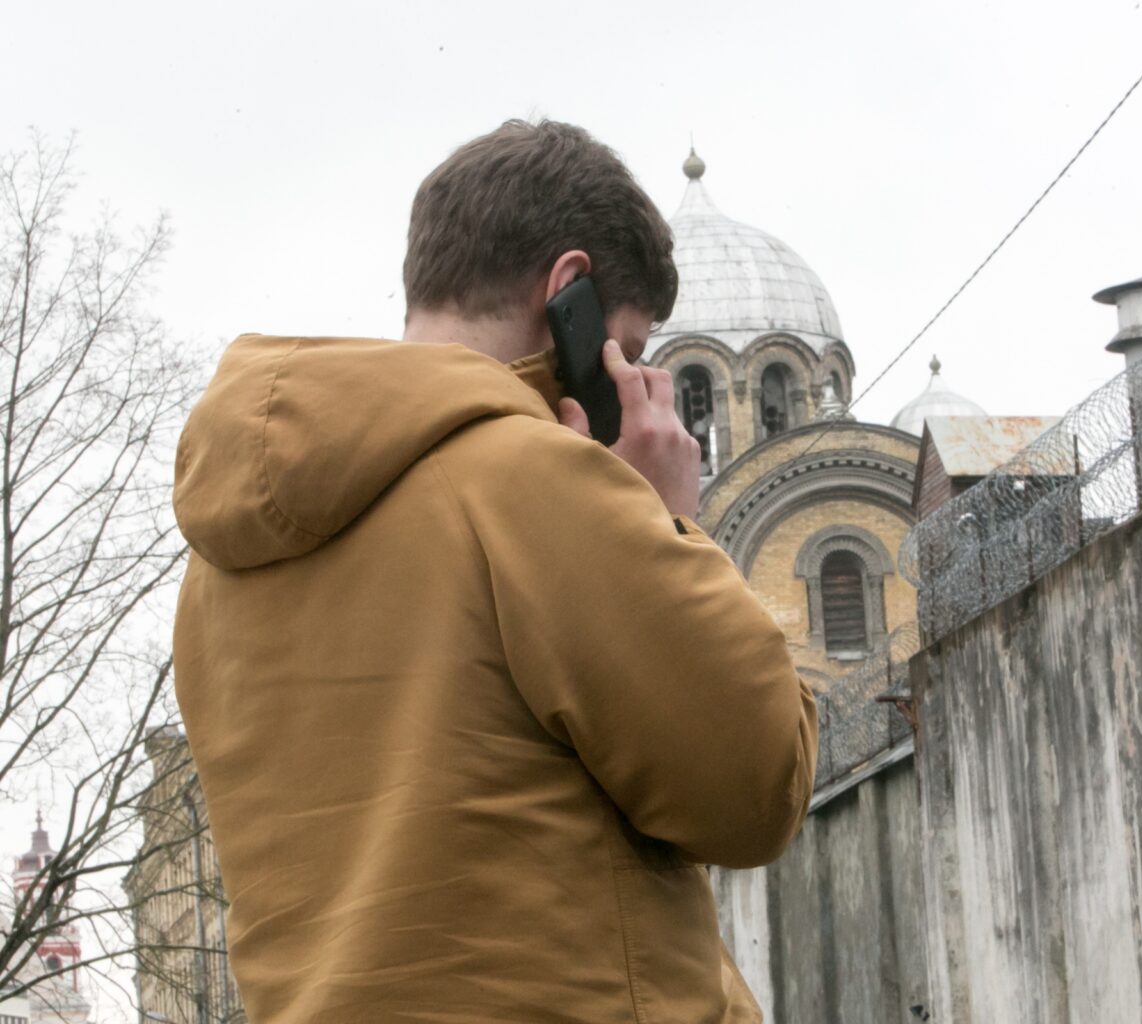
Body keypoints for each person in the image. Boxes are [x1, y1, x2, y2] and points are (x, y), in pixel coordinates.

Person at [171, 120, 818, 1023]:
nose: (632, 381)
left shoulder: (221, 568)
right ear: (570, 293)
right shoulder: (538, 483)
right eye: (627, 349)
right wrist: (669, 520)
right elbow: (755, 789)